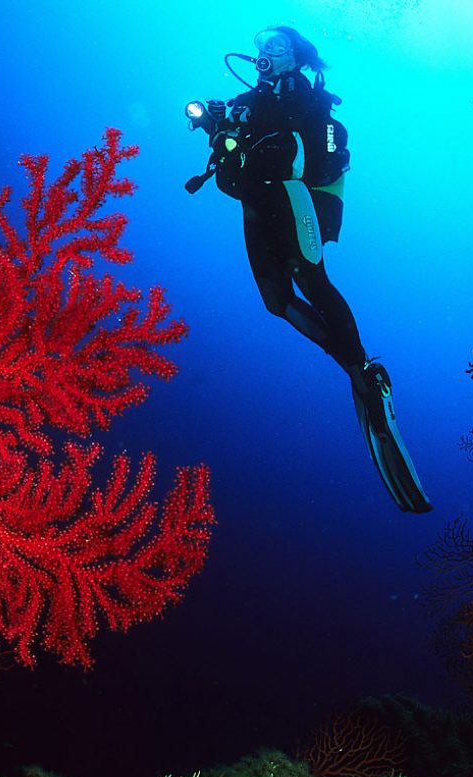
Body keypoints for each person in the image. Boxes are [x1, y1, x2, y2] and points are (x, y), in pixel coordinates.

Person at [186, 25, 432, 513]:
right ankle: (354, 370)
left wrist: (260, 135)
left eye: (275, 46)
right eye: (260, 47)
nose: (264, 53)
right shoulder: (247, 100)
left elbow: (313, 157)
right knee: (275, 302)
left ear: (295, 56)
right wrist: (215, 124)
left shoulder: (305, 96)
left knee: (310, 277)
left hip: (294, 197)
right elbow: (231, 154)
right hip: (257, 205)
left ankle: (364, 369)